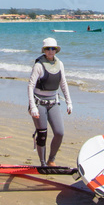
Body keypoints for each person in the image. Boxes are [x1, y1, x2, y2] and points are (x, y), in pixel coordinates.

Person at [27, 37, 72, 166]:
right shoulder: (39, 65)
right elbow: (30, 86)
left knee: (59, 132)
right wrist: (33, 107)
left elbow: (63, 83)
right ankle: (42, 163)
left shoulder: (60, 64)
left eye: (53, 49)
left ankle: (51, 159)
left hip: (53, 102)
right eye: (48, 49)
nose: (51, 51)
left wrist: (69, 102)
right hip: (39, 103)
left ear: (56, 50)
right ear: (44, 50)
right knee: (42, 134)